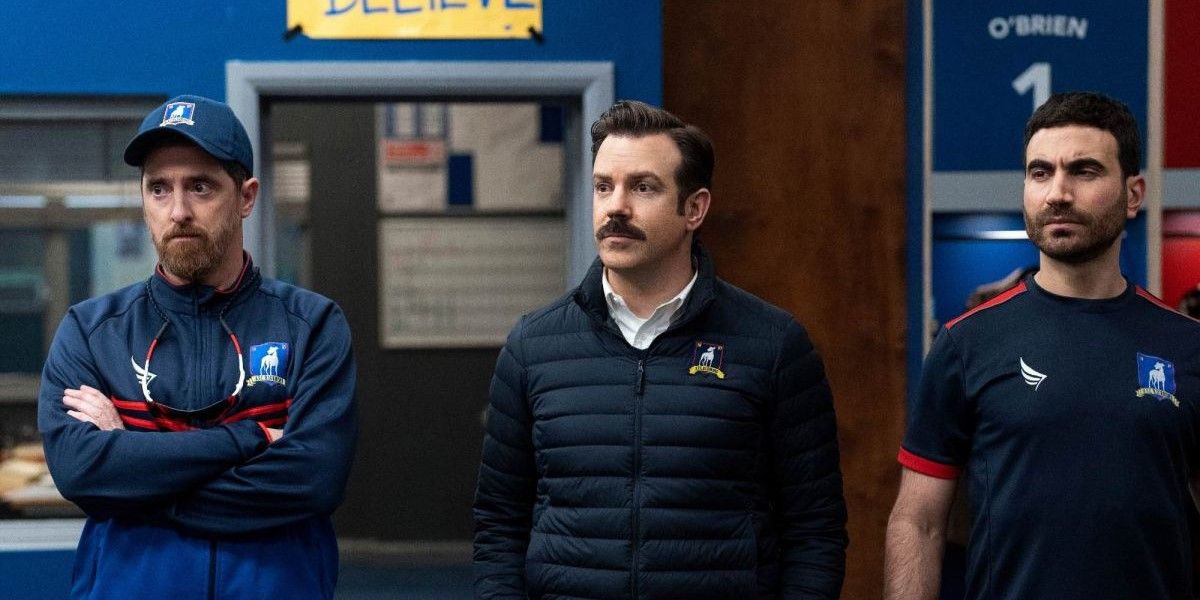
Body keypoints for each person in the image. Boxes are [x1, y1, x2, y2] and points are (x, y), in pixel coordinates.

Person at [473, 100, 847, 598]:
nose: (616, 207)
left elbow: (814, 530)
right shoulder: (533, 345)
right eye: (604, 186)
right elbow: (499, 524)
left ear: (694, 208)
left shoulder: (774, 346)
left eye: (643, 187)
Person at [38, 95, 358, 599]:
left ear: (246, 197)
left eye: (201, 187)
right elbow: (81, 473)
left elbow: (313, 478)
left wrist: (134, 467)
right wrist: (250, 438)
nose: (179, 210)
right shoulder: (91, 331)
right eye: (159, 189)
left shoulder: (311, 325)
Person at [885, 91, 1200, 599]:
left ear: (1134, 193)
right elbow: (917, 523)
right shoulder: (966, 343)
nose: (1058, 192)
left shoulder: (1187, 346)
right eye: (1039, 172)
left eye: (1085, 171)